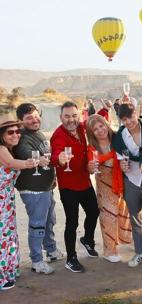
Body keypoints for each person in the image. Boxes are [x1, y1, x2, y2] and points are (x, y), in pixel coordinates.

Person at [14, 103, 63, 275]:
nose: (34, 119)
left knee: (49, 220)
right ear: (21, 121)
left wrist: (53, 178)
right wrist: (39, 159)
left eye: (36, 116)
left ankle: (50, 250)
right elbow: (24, 152)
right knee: (37, 224)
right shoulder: (22, 137)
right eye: (29, 118)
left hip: (46, 187)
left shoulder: (38, 133)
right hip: (33, 190)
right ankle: (36, 260)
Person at [50, 101, 99, 273]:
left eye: (74, 116)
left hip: (84, 182)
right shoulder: (58, 136)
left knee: (94, 212)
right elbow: (55, 155)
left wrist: (106, 109)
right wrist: (59, 158)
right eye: (67, 116)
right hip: (69, 187)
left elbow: (97, 121)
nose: (71, 120)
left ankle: (87, 239)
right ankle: (71, 258)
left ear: (78, 116)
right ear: (61, 117)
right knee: (72, 222)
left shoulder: (80, 128)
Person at [112, 103, 142, 268]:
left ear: (137, 114)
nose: (128, 121)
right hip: (131, 181)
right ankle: (140, 252)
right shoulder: (120, 135)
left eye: (130, 117)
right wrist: (122, 165)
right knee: (135, 218)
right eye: (124, 119)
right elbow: (120, 159)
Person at [86, 114, 132, 263]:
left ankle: (126, 239)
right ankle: (109, 251)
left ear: (106, 124)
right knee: (109, 217)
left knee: (125, 214)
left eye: (101, 126)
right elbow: (91, 167)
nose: (100, 130)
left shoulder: (118, 139)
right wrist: (91, 167)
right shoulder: (92, 148)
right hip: (105, 188)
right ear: (91, 133)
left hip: (122, 185)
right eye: (95, 129)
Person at [0, 113, 36, 290]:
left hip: (5, 201)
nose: (15, 134)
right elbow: (13, 164)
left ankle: (8, 271)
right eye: (10, 132)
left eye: (17, 131)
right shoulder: (1, 149)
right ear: (2, 135)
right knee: (2, 238)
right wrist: (34, 162)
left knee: (7, 236)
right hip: (1, 203)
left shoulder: (7, 148)